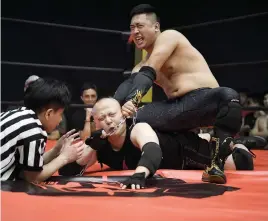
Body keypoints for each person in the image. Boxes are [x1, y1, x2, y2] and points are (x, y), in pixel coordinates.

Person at [114, 4, 242, 183]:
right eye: (132, 28)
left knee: (229, 96)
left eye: (140, 26)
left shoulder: (169, 37)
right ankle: (207, 142)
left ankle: (216, 165)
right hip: (176, 110)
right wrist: (108, 110)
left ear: (156, 27)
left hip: (204, 101)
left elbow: (149, 71)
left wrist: (133, 100)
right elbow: (126, 89)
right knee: (133, 119)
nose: (135, 32)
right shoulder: (140, 66)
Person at [58, 98, 254, 188]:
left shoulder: (137, 128)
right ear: (96, 122)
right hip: (171, 152)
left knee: (241, 162)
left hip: (183, 151)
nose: (108, 120)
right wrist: (89, 148)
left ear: (122, 115)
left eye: (112, 115)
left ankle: (239, 143)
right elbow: (70, 171)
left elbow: (152, 150)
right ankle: (210, 137)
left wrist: (139, 175)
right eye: (102, 118)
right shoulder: (100, 144)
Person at [0, 78, 85, 182]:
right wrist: (65, 158)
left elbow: (31, 165)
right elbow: (33, 178)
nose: (61, 119)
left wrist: (55, 150)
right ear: (48, 114)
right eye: (60, 114)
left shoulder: (19, 113)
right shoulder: (33, 131)